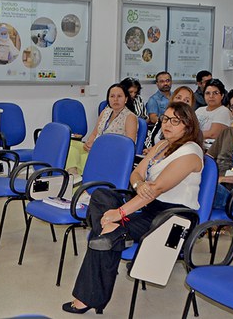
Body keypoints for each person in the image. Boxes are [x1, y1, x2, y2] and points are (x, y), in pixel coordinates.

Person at [62, 102, 203, 314]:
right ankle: (114, 234)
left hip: (173, 218)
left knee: (105, 234)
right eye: (165, 119)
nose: (168, 125)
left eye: (176, 121)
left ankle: (87, 296)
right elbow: (135, 174)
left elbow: (156, 189)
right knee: (101, 195)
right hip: (149, 208)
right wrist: (139, 185)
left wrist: (118, 214)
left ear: (188, 125)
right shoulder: (162, 145)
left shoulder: (191, 152)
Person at [66, 83, 138, 176]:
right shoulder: (105, 111)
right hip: (95, 147)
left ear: (126, 99)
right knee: (68, 144)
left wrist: (99, 147)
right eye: (112, 96)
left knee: (78, 155)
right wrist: (89, 142)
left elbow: (129, 146)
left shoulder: (130, 117)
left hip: (111, 153)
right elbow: (95, 132)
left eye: (119, 96)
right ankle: (73, 174)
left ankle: (74, 177)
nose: (115, 99)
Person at [144, 86, 194, 151]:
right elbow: (151, 140)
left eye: (186, 100)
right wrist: (150, 150)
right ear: (172, 99)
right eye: (178, 98)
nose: (181, 102)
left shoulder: (191, 125)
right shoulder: (163, 118)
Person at [195, 79, 232, 143]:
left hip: (211, 149)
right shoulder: (199, 110)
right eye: (207, 93)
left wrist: (190, 135)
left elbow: (212, 134)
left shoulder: (224, 111)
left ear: (222, 95)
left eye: (215, 93)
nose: (211, 96)